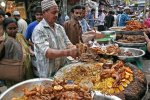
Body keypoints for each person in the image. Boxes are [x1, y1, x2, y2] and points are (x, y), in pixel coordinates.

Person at [32, 0, 77, 78]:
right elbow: (47, 53)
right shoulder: (39, 30)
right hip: (47, 73)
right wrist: (68, 52)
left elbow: (67, 42)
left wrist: (74, 48)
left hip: (62, 69)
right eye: (53, 12)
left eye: (57, 12)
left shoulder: (60, 28)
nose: (56, 15)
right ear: (44, 13)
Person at [25, 6, 43, 77]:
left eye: (41, 14)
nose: (39, 16)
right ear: (35, 15)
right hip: (35, 52)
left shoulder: (48, 25)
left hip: (47, 52)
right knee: (38, 72)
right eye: (37, 15)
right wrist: (33, 45)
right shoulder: (31, 26)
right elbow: (25, 39)